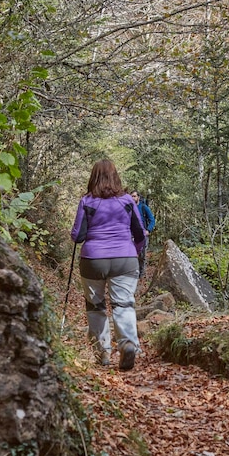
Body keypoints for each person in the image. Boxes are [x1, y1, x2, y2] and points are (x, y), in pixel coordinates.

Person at [70, 159, 146, 370]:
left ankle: (102, 352)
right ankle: (128, 344)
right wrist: (134, 253)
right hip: (125, 258)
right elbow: (140, 234)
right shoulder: (127, 201)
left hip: (93, 259)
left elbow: (77, 236)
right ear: (116, 176)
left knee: (95, 306)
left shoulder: (87, 201)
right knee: (124, 304)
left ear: (93, 177)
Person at [131, 190, 155, 278]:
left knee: (142, 254)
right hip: (131, 235)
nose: (133, 198)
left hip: (143, 234)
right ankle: (134, 272)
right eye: (131, 196)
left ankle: (141, 273)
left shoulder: (144, 207)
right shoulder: (129, 208)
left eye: (134, 196)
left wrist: (148, 230)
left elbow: (152, 220)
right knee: (131, 255)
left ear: (138, 197)